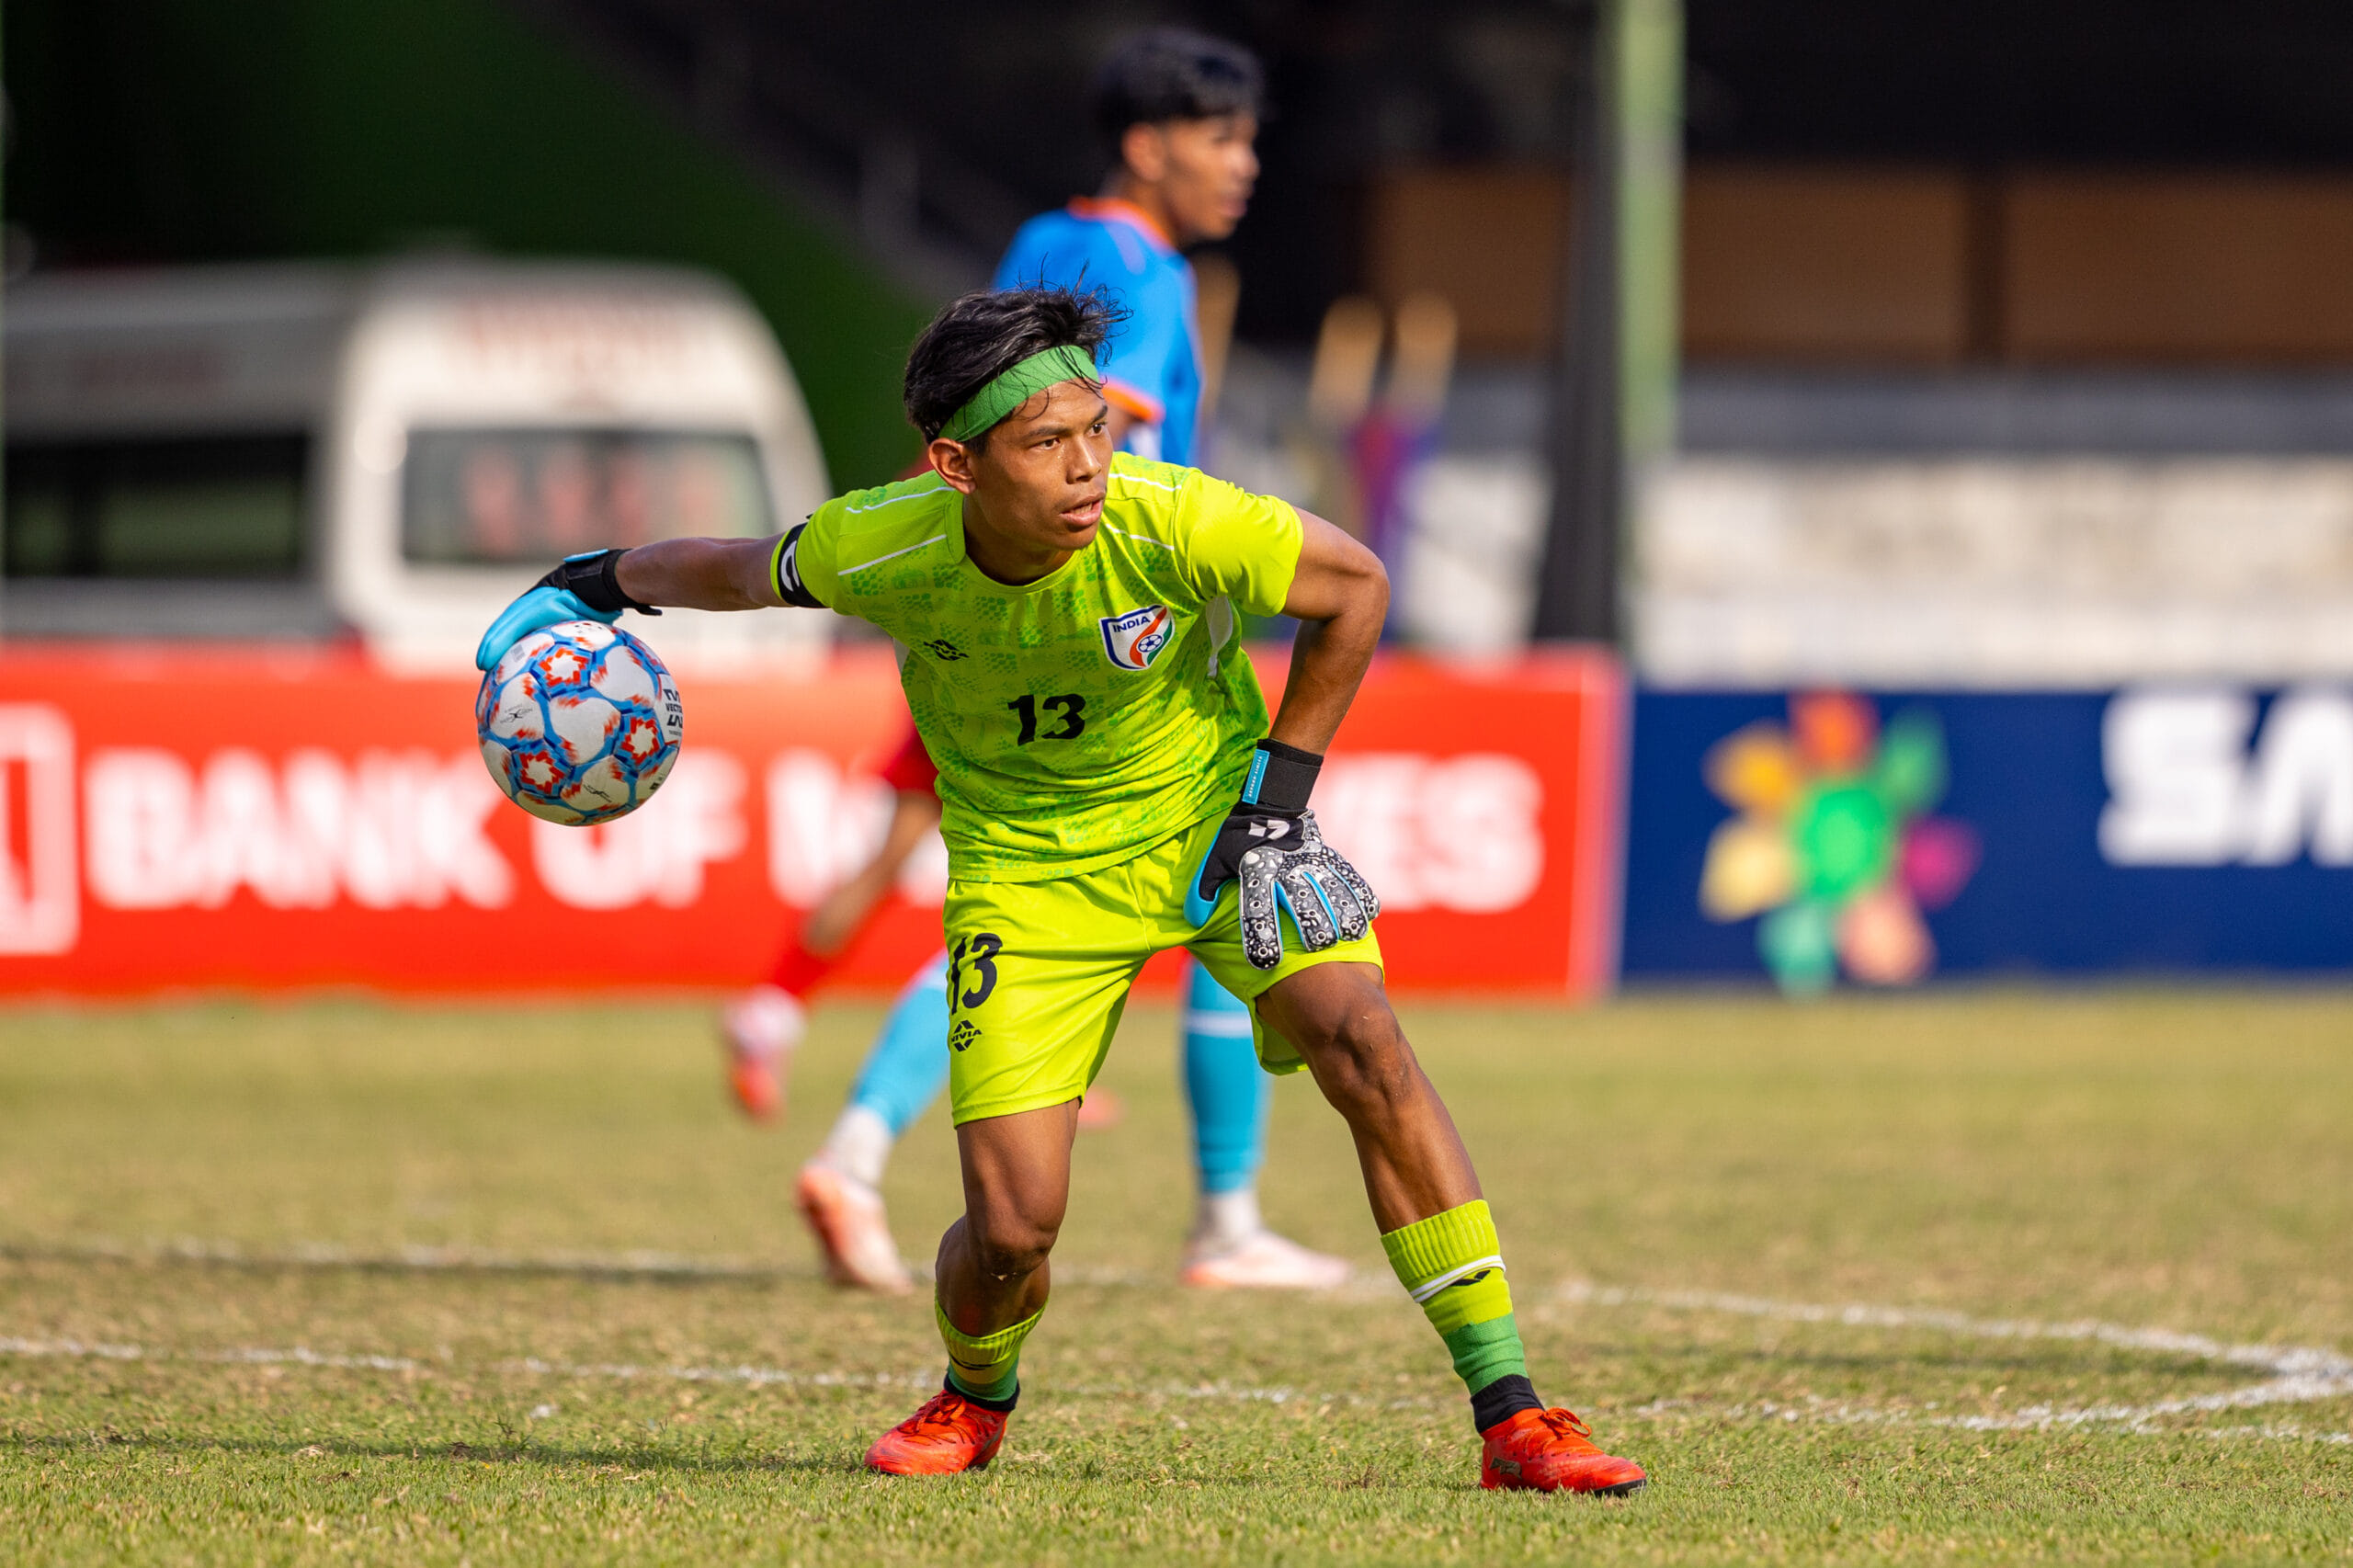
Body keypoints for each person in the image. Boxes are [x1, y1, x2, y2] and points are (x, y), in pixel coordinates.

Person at [475, 285, 1647, 1494]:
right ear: (956, 464)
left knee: (1367, 1047)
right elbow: (735, 568)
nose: (1090, 464)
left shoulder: (1169, 515)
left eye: (1095, 427)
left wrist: (1278, 801)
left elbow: (1354, 588)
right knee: (1014, 1227)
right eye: (1047, 442)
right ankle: (975, 1393)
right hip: (1027, 879)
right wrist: (593, 580)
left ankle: (1514, 1412)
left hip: (1213, 827)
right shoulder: (886, 542)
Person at [727, 26, 1346, 1293]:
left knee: (1016, 912)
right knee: (1213, 872)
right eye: (1222, 139)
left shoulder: (1040, 249)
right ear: (1147, 145)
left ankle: (843, 1125)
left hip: (974, 609)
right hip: (1086, 636)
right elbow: (1085, 463)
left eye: (1250, 141)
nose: (1244, 167)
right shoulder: (1138, 274)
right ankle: (1223, 1215)